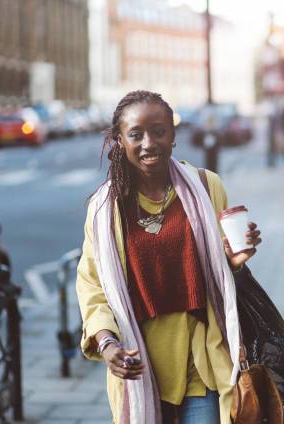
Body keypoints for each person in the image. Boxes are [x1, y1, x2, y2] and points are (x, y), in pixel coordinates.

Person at [75, 90, 262, 424]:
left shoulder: (206, 187)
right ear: (119, 140)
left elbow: (222, 273)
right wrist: (106, 343)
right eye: (136, 134)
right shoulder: (105, 210)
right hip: (139, 361)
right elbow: (92, 286)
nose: (149, 143)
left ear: (174, 136)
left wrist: (235, 261)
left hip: (200, 361)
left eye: (159, 131)